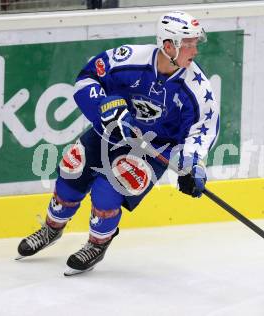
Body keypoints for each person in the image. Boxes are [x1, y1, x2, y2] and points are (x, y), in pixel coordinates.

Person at [16, 11, 219, 275]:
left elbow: (201, 131)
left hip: (153, 149)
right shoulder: (130, 58)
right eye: (188, 43)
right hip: (110, 131)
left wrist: (192, 166)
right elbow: (87, 79)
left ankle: (97, 244)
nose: (194, 50)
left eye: (195, 43)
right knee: (71, 171)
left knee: (108, 189)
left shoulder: (198, 89)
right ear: (168, 45)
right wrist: (104, 106)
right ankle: (51, 229)